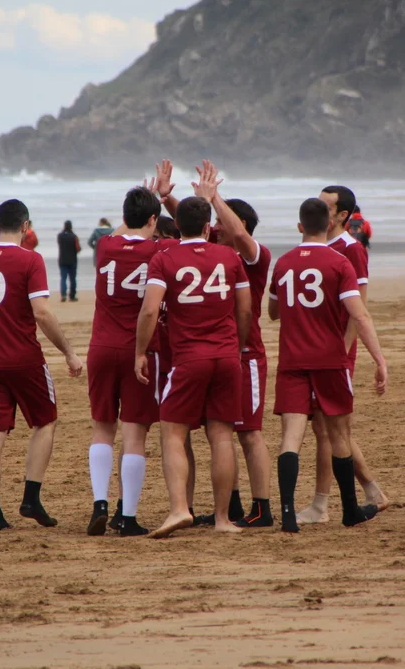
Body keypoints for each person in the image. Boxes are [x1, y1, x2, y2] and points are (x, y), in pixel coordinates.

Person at [0, 199, 84, 530]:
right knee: (45, 421)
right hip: (25, 358)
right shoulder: (31, 259)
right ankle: (31, 498)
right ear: (26, 227)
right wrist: (68, 352)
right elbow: (41, 312)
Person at [135, 196, 252, 538]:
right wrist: (238, 346)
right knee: (221, 435)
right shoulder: (230, 257)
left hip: (189, 357)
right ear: (207, 226)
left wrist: (140, 351)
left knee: (173, 432)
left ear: (175, 226)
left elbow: (150, 310)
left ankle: (179, 509)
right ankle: (222, 519)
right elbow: (245, 310)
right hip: (226, 355)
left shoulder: (164, 258)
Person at [270, 198, 389, 532]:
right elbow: (359, 315)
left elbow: (273, 312)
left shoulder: (283, 263)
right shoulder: (339, 263)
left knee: (290, 438)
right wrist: (380, 359)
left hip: (293, 359)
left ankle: (288, 515)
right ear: (329, 225)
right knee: (338, 435)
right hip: (330, 359)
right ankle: (350, 510)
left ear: (300, 226)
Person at [85, 187, 173, 537]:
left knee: (102, 428)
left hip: (101, 346)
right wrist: (161, 201)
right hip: (140, 349)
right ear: (153, 220)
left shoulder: (106, 246)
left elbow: (120, 232)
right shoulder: (159, 251)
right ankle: (129, 515)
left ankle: (100, 503)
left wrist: (145, 201)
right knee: (135, 433)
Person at [192, 160, 274, 528]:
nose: (214, 228)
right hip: (220, 355)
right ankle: (234, 505)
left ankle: (263, 508)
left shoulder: (256, 256)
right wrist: (168, 200)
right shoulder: (215, 252)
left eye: (219, 222)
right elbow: (190, 227)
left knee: (249, 433)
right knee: (220, 432)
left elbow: (238, 232)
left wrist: (215, 197)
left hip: (247, 355)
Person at [57, 221, 81, 301]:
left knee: (63, 278)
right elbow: (78, 248)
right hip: (72, 260)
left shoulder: (60, 236)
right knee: (72, 279)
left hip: (62, 259)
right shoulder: (74, 236)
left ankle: (63, 295)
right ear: (71, 226)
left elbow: (59, 244)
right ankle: (72, 296)